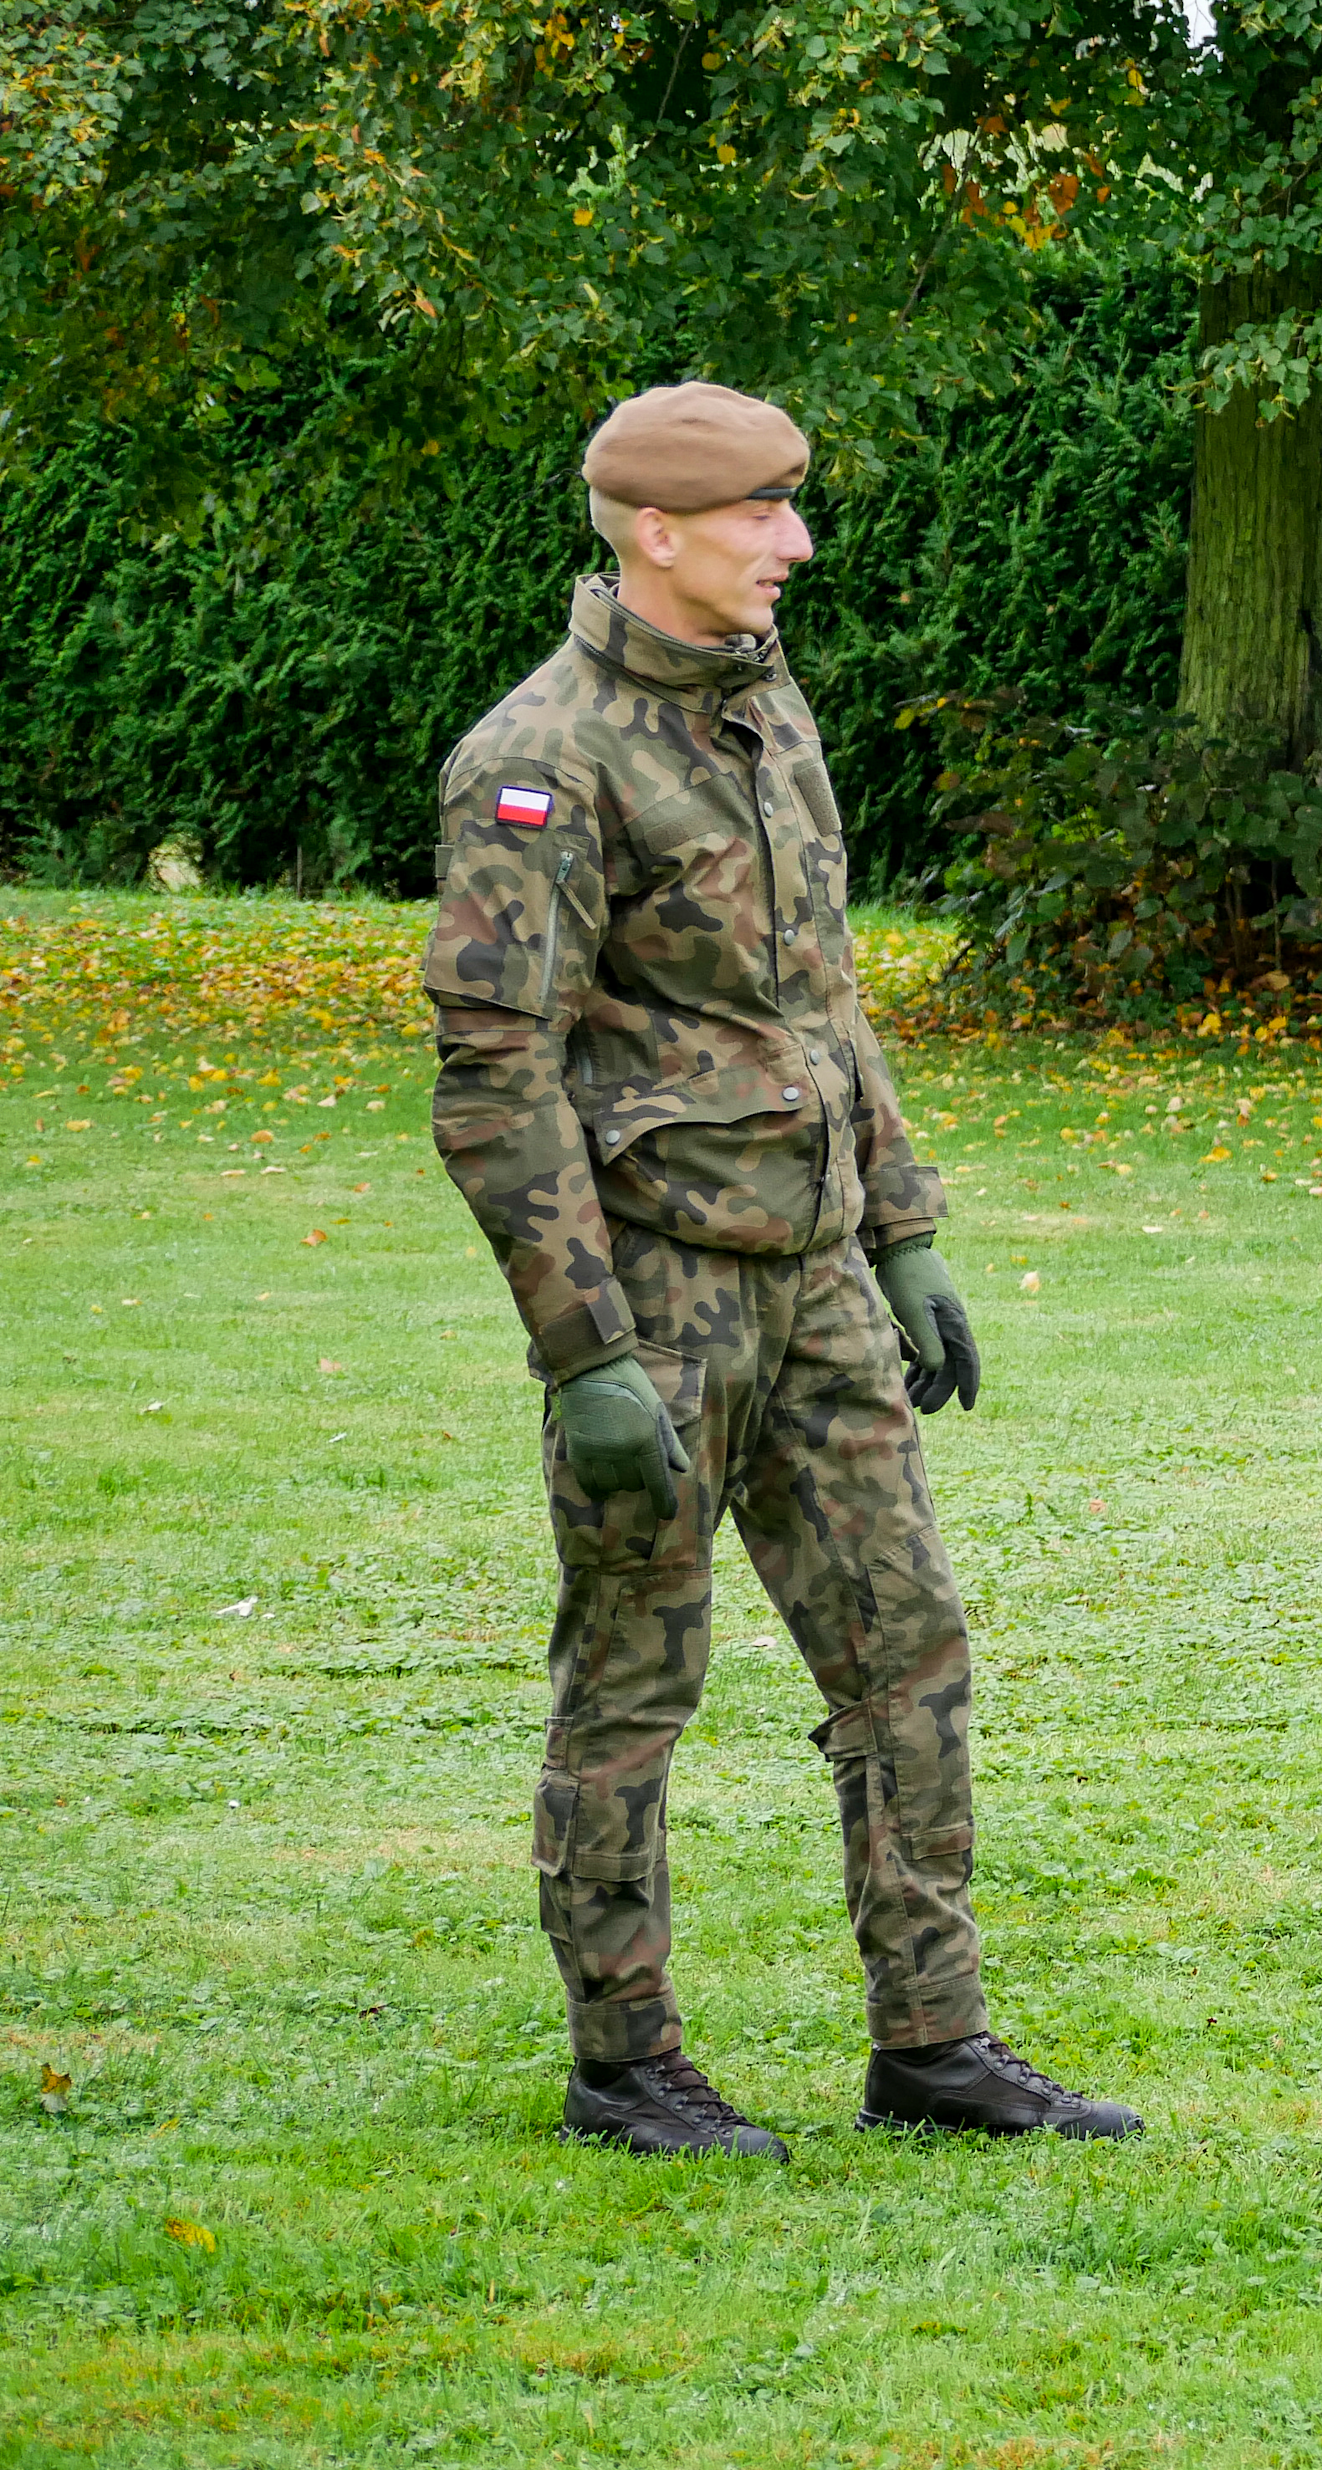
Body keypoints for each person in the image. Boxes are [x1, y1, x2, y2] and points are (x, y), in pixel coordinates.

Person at [422, 382, 1136, 2158]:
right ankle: (626, 2063)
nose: (795, 543)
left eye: (793, 505)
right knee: (633, 1679)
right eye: (763, 512)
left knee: (909, 1650)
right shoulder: (540, 760)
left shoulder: (766, 707)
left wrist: (906, 1229)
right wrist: (585, 1349)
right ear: (656, 529)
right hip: (657, 1296)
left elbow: (823, 990)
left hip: (817, 1282)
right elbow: (496, 1076)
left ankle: (934, 2043)